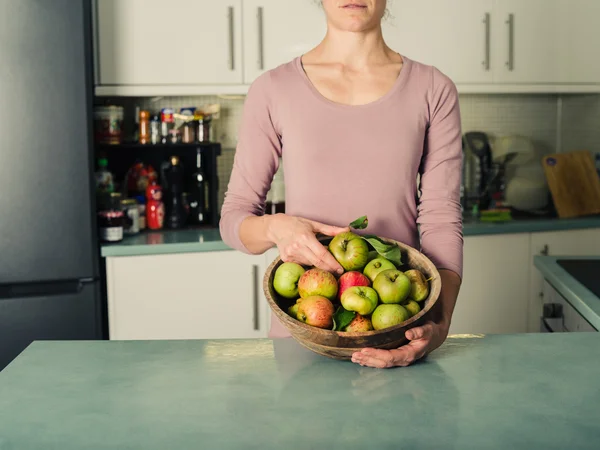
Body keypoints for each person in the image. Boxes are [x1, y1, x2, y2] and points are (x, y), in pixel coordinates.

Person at [220, 0, 463, 369]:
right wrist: (277, 226)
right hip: (303, 333)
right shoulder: (273, 89)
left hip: (397, 330)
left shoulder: (433, 88)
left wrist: (439, 325)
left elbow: (441, 216)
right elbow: (234, 219)